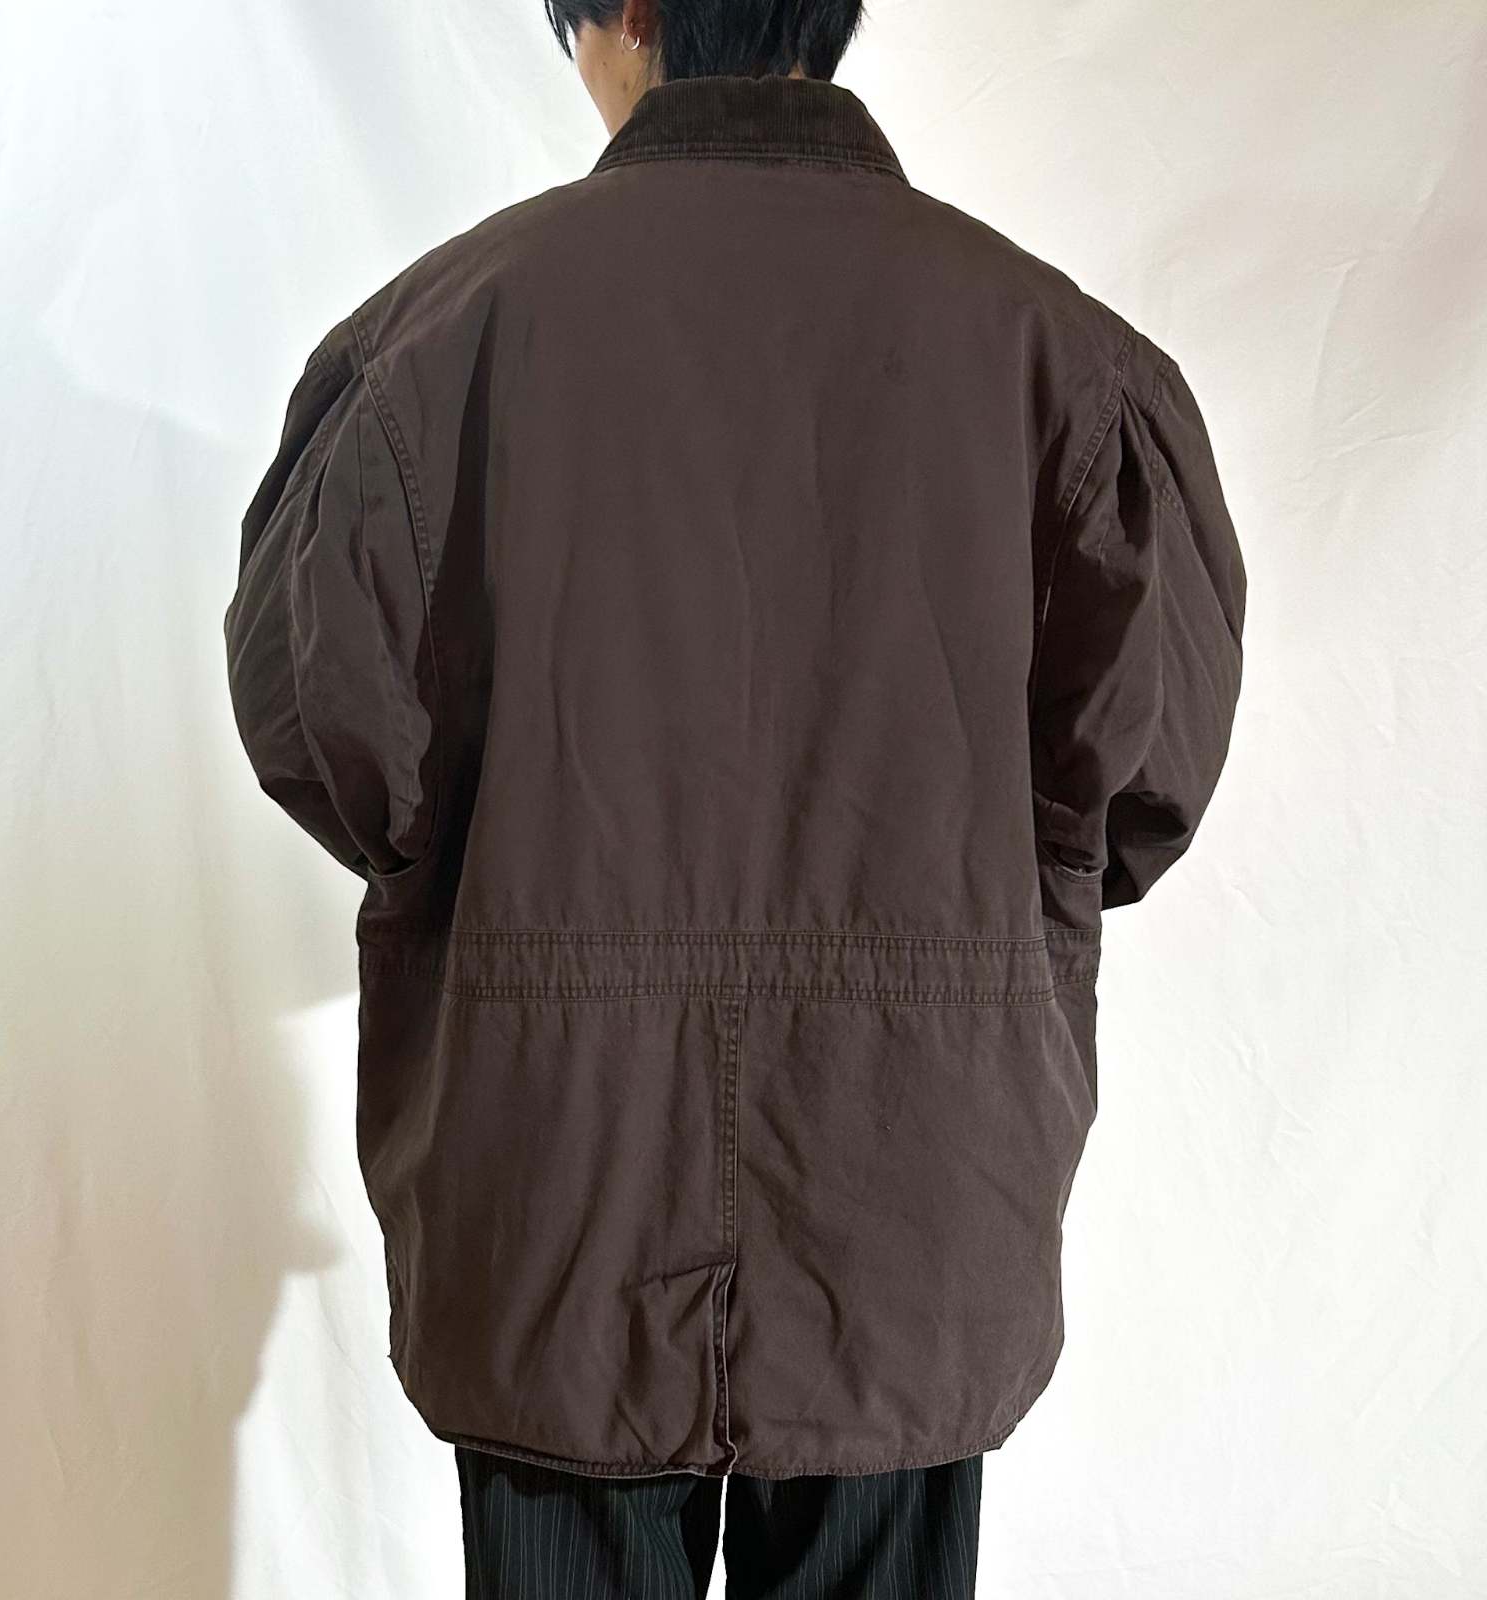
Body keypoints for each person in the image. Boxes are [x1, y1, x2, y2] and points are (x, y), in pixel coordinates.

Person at [221, 0, 1247, 1592]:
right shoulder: (1064, 359)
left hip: (549, 1170)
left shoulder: (428, 344)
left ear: (625, 11)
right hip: (914, 1172)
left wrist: (498, 842)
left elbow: (321, 727)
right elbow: (1142, 775)